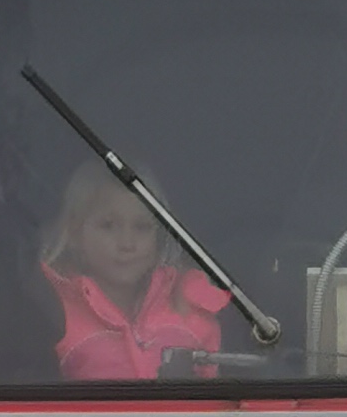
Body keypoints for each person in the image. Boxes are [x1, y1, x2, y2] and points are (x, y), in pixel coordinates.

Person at [39, 162, 227, 380]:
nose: (127, 243)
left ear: (159, 237)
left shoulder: (189, 307)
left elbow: (217, 392)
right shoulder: (52, 314)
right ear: (75, 233)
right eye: (108, 225)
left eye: (142, 227)